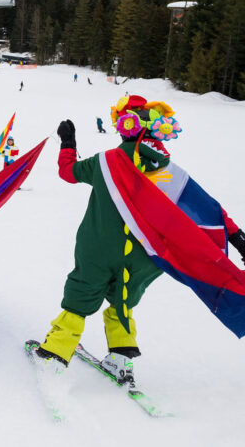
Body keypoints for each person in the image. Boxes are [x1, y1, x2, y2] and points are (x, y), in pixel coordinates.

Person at [31, 95, 213, 381]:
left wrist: (68, 143)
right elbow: (204, 208)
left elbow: (68, 173)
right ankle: (121, 359)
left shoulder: (108, 161)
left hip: (100, 247)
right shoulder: (171, 173)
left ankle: (54, 354)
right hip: (145, 257)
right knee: (123, 301)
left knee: (81, 294)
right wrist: (236, 237)